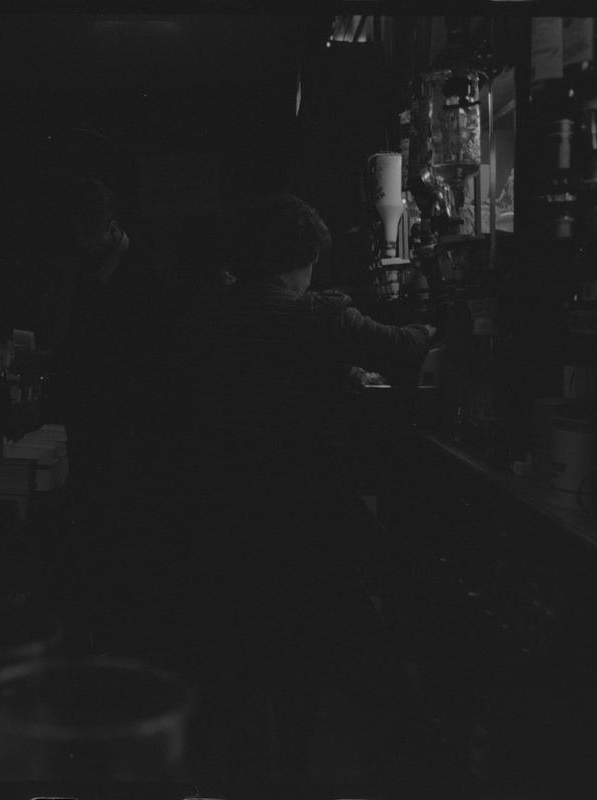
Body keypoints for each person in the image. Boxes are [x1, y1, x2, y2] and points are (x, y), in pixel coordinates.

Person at [161, 192, 436, 787]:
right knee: (318, 651)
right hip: (301, 517)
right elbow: (405, 348)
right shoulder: (314, 315)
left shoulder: (207, 315)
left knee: (243, 660)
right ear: (306, 255)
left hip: (219, 516)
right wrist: (435, 317)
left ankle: (251, 769)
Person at [43, 178, 180, 654]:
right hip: (101, 435)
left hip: (131, 438)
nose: (82, 246)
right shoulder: (98, 271)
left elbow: (151, 370)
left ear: (112, 227)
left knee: (126, 549)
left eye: (88, 236)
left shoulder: (147, 279)